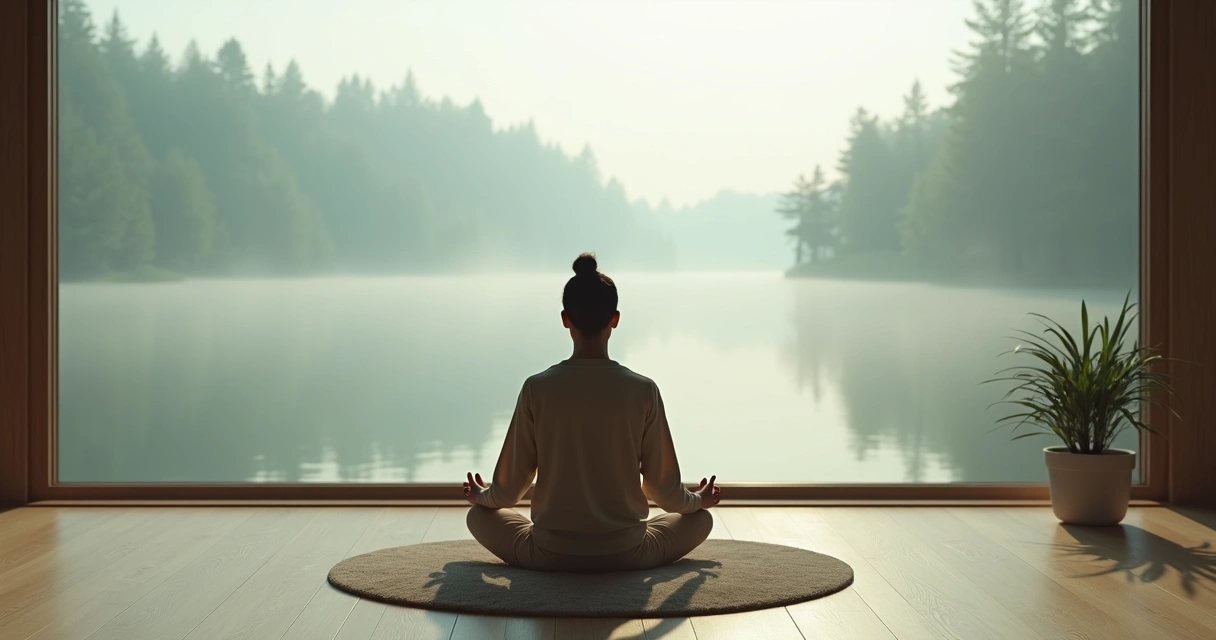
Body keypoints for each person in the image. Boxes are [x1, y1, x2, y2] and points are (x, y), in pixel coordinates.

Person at [463, 252, 721, 573]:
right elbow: (662, 491)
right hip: (628, 552)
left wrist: (483, 496)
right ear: (614, 319)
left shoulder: (537, 388)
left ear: (565, 319)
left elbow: (510, 490)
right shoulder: (643, 390)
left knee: (477, 516)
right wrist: (697, 502)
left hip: (549, 552)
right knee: (702, 520)